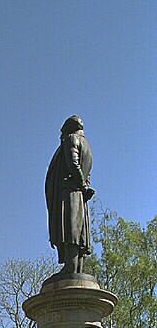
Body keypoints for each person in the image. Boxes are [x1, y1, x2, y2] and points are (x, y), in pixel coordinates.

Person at [45, 115, 94, 274]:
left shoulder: (71, 139)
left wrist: (82, 184)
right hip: (79, 193)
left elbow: (73, 163)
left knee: (70, 228)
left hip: (70, 192)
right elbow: (86, 172)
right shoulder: (88, 146)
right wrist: (86, 185)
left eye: (62, 131)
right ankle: (75, 268)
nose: (61, 135)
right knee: (77, 230)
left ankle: (70, 268)